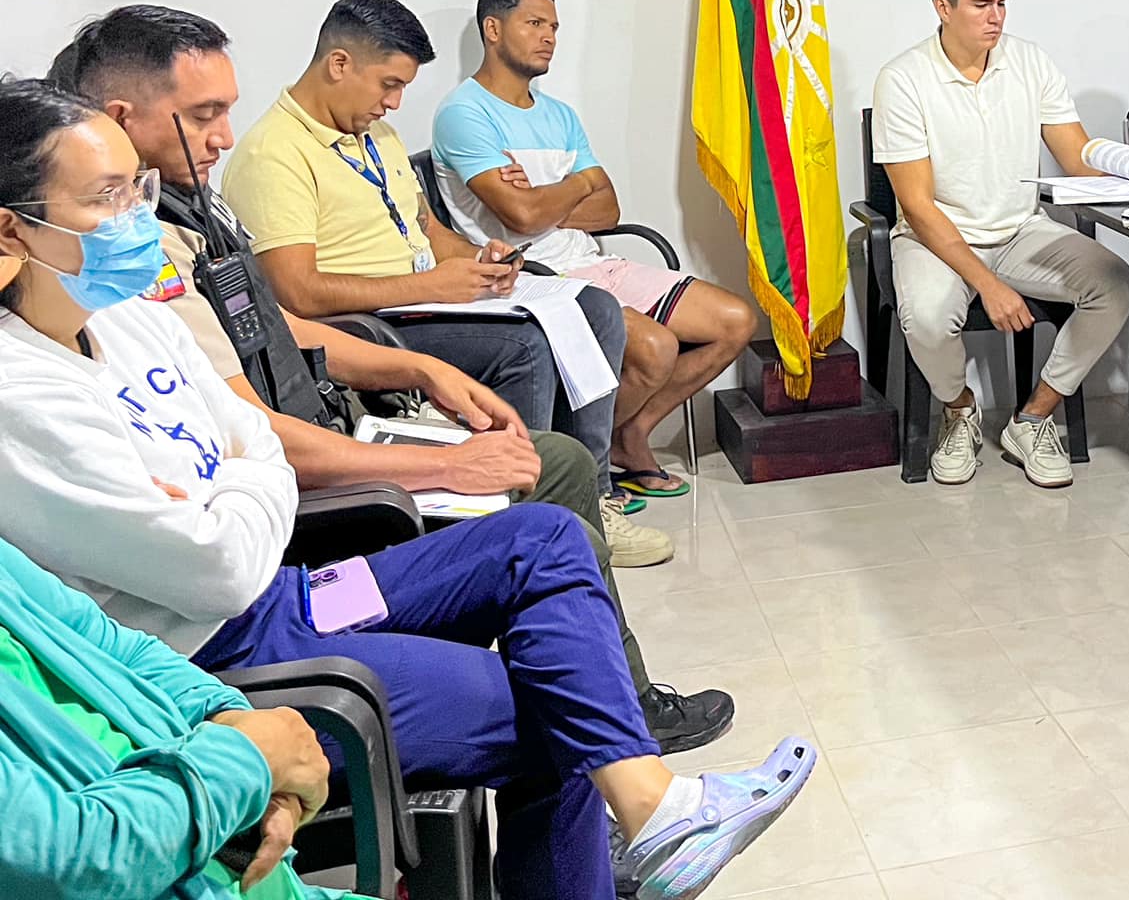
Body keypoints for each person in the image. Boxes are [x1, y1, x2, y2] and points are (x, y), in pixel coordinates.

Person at [0, 80, 813, 900]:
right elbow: (220, 562)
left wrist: (231, 483)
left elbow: (249, 443)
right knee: (558, 711)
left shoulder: (131, 317)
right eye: (106, 199)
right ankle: (641, 817)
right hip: (216, 657)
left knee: (543, 537)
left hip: (287, 596)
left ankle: (653, 809)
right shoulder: (20, 395)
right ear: (12, 229)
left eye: (137, 191)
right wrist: (245, 474)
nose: (136, 220)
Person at [50, 4, 732, 757]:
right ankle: (609, 711)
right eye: (204, 115)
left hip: (322, 437)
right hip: (298, 520)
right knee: (537, 498)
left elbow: (278, 329)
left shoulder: (192, 211)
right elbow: (261, 431)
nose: (223, 137)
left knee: (561, 443)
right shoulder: (135, 271)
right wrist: (444, 464)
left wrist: (421, 367)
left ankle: (615, 703)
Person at [218, 0, 631, 474]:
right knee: (525, 348)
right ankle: (522, 495)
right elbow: (297, 294)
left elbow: (427, 229)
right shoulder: (273, 153)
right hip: (363, 326)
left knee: (596, 308)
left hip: (421, 303)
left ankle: (591, 487)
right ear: (339, 64)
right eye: (388, 84)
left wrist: (480, 260)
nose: (393, 103)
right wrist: (429, 285)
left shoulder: (378, 136)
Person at [432, 0, 756, 498]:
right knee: (656, 348)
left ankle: (628, 435)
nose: (549, 37)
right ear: (493, 29)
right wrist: (576, 186)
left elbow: (607, 209)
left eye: (554, 27)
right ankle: (576, 465)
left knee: (735, 321)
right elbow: (521, 217)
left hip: (592, 261)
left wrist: (552, 194)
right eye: (534, 24)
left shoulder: (560, 115)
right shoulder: (464, 114)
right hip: (534, 277)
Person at [871, 0, 1129, 487]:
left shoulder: (1030, 61)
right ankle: (959, 409)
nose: (996, 17)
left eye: (1002, 3)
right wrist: (988, 284)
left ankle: (1033, 418)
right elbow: (918, 207)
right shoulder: (902, 79)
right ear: (943, 7)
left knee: (1117, 283)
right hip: (935, 239)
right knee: (927, 317)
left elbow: (1076, 155)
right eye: (981, 5)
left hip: (1021, 230)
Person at [0, 531, 359, 900]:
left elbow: (107, 638)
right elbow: (70, 865)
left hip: (250, 864)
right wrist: (251, 757)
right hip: (239, 633)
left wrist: (231, 717)